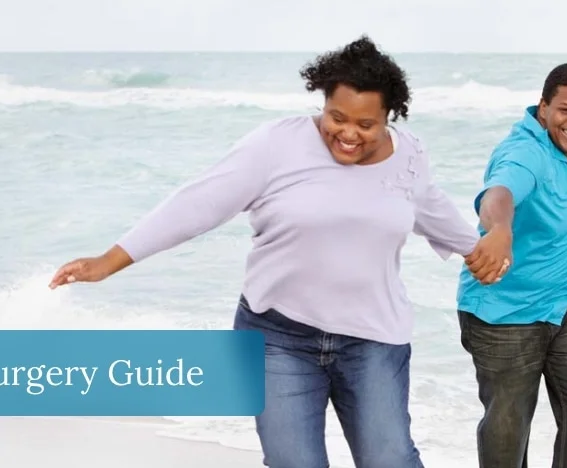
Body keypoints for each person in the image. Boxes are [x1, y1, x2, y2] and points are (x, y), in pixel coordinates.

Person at [48, 36, 503, 468]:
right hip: (278, 338)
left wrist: (477, 250)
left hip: (373, 341)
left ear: (389, 117)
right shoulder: (276, 145)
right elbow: (197, 204)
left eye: (365, 124)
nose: (347, 133)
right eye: (336, 117)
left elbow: (430, 207)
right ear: (322, 103)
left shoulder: (409, 157)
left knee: (390, 459)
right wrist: (111, 259)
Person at [458, 62, 567, 468]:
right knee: (507, 436)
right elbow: (500, 192)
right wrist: (499, 230)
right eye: (565, 110)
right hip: (507, 313)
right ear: (543, 108)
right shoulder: (526, 151)